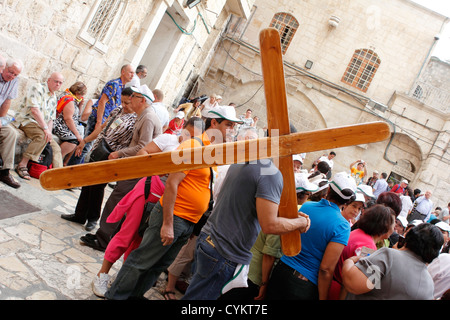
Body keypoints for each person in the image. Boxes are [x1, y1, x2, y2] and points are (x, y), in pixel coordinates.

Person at [104, 105, 242, 300]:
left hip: (187, 221)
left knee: (159, 265)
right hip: (174, 216)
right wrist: (167, 223)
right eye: (229, 125)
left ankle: (133, 296)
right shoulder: (193, 146)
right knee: (142, 260)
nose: (232, 130)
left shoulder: (209, 150)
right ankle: (115, 296)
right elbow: (172, 184)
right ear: (213, 123)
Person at [91, 118, 204, 298]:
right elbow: (142, 153)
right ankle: (101, 275)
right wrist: (158, 169)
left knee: (141, 243)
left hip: (165, 203)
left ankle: (122, 281)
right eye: (188, 134)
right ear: (182, 129)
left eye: (195, 137)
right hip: (147, 191)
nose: (190, 138)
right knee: (126, 234)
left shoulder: (196, 151)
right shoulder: (168, 140)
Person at [79, 85, 161, 243]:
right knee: (117, 201)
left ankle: (103, 238)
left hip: (137, 168)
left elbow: (144, 146)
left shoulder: (148, 117)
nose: (130, 100)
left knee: (116, 202)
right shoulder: (143, 115)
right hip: (132, 166)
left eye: (134, 97)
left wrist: (119, 153)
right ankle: (103, 236)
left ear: (142, 100)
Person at [217, 172, 318, 301]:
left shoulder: (272, 205)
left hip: (243, 264)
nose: (308, 199)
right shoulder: (283, 219)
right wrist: (264, 284)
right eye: (308, 195)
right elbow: (268, 255)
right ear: (299, 196)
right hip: (253, 275)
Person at [265, 172, 357, 300]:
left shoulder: (307, 205)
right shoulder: (342, 226)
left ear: (329, 189)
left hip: (281, 270)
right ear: (347, 201)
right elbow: (326, 269)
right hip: (302, 286)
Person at [61, 88, 136, 230]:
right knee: (87, 182)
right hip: (99, 150)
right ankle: (80, 214)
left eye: (128, 103)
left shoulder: (136, 120)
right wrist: (85, 141)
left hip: (113, 155)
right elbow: (102, 128)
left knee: (98, 187)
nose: (125, 105)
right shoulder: (117, 111)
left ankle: (93, 218)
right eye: (122, 101)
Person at [342, 223, 443, 300]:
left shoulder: (389, 257)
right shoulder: (429, 287)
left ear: (409, 237)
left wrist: (350, 261)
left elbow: (353, 284)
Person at [70, 64, 135, 165]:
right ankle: (70, 168)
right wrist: (99, 122)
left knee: (89, 147)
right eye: (130, 72)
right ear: (123, 72)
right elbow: (102, 102)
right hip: (98, 118)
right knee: (86, 147)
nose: (132, 75)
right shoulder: (114, 84)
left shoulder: (123, 87)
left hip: (107, 121)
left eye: (133, 73)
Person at [329, 204, 395, 300]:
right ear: (385, 226)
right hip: (338, 293)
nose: (394, 229)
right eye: (394, 224)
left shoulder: (358, 232)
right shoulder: (368, 246)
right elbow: (363, 280)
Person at [14, 72, 65, 179]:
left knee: (56, 147)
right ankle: (22, 165)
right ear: (49, 80)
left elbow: (51, 118)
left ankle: (59, 176)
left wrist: (49, 133)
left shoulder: (54, 97)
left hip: (41, 125)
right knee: (42, 137)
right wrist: (46, 130)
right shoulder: (37, 88)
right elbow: (35, 110)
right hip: (26, 120)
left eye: (60, 83)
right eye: (56, 81)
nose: (58, 84)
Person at [0, 58, 23, 188]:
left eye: (15, 74)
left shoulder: (14, 81)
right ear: (4, 68)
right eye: (10, 72)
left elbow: (7, 101)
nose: (12, 76)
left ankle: (4, 171)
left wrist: (1, 120)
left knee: (10, 133)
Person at [52, 82, 87, 165]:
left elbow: (77, 115)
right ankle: (57, 160)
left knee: (80, 139)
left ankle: (65, 163)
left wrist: (81, 105)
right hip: (60, 124)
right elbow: (68, 119)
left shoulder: (71, 97)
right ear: (78, 93)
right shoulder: (69, 100)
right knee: (74, 140)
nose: (82, 97)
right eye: (81, 95)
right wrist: (77, 135)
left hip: (66, 124)